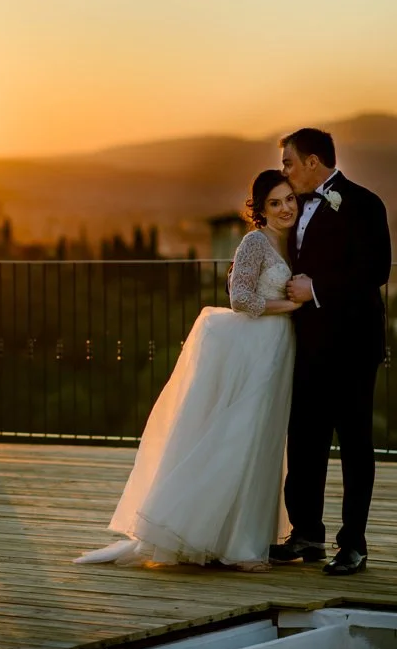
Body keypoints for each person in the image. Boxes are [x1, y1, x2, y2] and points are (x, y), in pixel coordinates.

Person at [74, 170, 299, 572]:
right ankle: (225, 541)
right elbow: (240, 297)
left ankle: (244, 535)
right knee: (240, 435)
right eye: (275, 203)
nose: (286, 209)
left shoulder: (294, 243)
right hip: (255, 348)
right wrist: (292, 305)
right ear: (260, 210)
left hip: (279, 349)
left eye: (289, 200)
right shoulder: (255, 242)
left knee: (265, 441)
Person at [270, 128, 391, 576]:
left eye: (288, 162)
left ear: (313, 161)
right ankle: (306, 533)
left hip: (354, 346)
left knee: (356, 444)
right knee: (304, 441)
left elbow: (376, 270)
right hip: (309, 344)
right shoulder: (295, 204)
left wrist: (315, 288)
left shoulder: (363, 203)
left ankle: (353, 545)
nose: (284, 170)